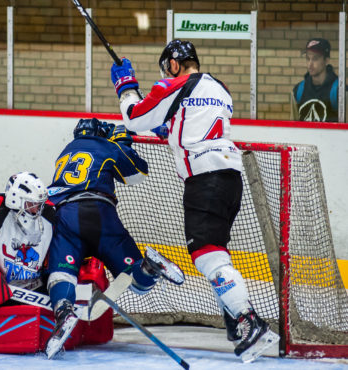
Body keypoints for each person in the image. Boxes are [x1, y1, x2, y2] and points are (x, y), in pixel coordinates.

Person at [110, 39, 279, 363]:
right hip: (230, 176)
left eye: (167, 68)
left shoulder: (172, 85)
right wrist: (170, 128)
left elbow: (134, 116)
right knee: (216, 251)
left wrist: (126, 86)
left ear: (173, 64)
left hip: (205, 178)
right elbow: (193, 120)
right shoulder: (220, 87)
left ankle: (249, 322)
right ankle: (234, 319)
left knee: (206, 256)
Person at [45, 118, 184, 359]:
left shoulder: (64, 152)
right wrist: (123, 142)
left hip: (65, 216)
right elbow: (137, 174)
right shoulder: (107, 146)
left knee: (61, 274)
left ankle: (65, 314)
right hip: (99, 214)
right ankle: (149, 267)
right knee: (138, 283)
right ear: (100, 134)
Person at [0, 171, 54, 308]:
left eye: (40, 204)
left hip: (35, 291)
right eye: (32, 203)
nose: (38, 209)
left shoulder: (50, 215)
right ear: (15, 199)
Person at [291, 38, 347, 122]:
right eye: (308, 58)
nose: (310, 64)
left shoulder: (340, 91)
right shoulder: (298, 91)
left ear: (326, 60)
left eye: (315, 59)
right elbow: (292, 129)